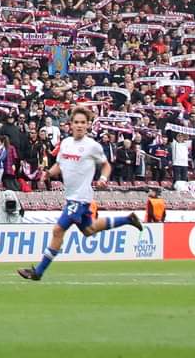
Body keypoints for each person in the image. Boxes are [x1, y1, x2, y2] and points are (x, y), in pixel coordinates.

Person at [18, 107, 143, 281]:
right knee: (89, 229)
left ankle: (38, 271)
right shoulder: (66, 143)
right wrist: (47, 173)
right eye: (76, 122)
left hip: (80, 198)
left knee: (58, 230)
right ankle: (128, 219)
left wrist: (104, 178)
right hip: (71, 197)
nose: (79, 125)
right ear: (70, 124)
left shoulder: (92, 146)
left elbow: (106, 165)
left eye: (83, 123)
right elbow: (59, 165)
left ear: (88, 125)